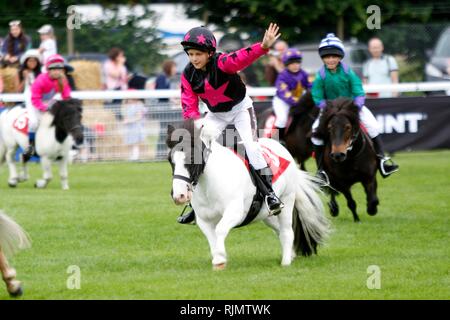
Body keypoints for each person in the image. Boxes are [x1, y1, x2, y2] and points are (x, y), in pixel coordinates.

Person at [177, 23, 284, 224]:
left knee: (251, 148)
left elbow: (242, 57)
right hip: (215, 115)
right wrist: (197, 125)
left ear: (210, 53)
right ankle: (194, 205)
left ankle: (270, 195)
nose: (193, 59)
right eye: (190, 54)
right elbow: (189, 105)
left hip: (240, 110)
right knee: (197, 150)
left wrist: (263, 46)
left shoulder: (223, 63)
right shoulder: (187, 75)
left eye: (198, 54)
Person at [310, 33, 398, 183]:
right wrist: (324, 105)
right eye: (327, 57)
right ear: (323, 58)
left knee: (373, 126)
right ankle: (321, 171)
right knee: (315, 132)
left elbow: (358, 90)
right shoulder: (321, 75)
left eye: (334, 56)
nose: (330, 59)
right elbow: (317, 95)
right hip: (330, 110)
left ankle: (383, 161)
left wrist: (357, 104)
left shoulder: (348, 72)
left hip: (351, 107)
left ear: (340, 57)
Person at [22, 54, 72, 161]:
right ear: (48, 70)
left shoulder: (63, 80)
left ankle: (60, 148)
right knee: (34, 122)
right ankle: (31, 147)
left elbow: (66, 96)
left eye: (59, 69)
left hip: (48, 102)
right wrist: (44, 108)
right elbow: (35, 99)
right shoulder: (41, 80)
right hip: (33, 102)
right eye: (53, 69)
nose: (56, 71)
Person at [272, 48, 311, 143]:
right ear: (286, 65)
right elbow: (284, 93)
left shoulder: (304, 74)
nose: (295, 65)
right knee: (282, 119)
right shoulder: (282, 75)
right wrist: (297, 101)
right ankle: (278, 140)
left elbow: (311, 86)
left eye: (297, 63)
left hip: (299, 101)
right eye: (292, 63)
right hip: (282, 101)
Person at [103, 47, 128, 120]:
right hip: (112, 89)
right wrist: (120, 64)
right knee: (113, 107)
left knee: (119, 107)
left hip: (121, 88)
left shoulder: (122, 66)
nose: (122, 58)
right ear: (116, 56)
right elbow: (115, 75)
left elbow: (123, 76)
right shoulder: (107, 65)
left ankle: (119, 119)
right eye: (121, 56)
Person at [123, 90, 147, 161]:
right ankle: (132, 156)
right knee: (130, 142)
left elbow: (139, 117)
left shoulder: (139, 105)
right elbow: (125, 115)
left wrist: (129, 120)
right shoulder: (127, 105)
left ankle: (135, 156)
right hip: (129, 127)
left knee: (135, 142)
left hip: (136, 126)